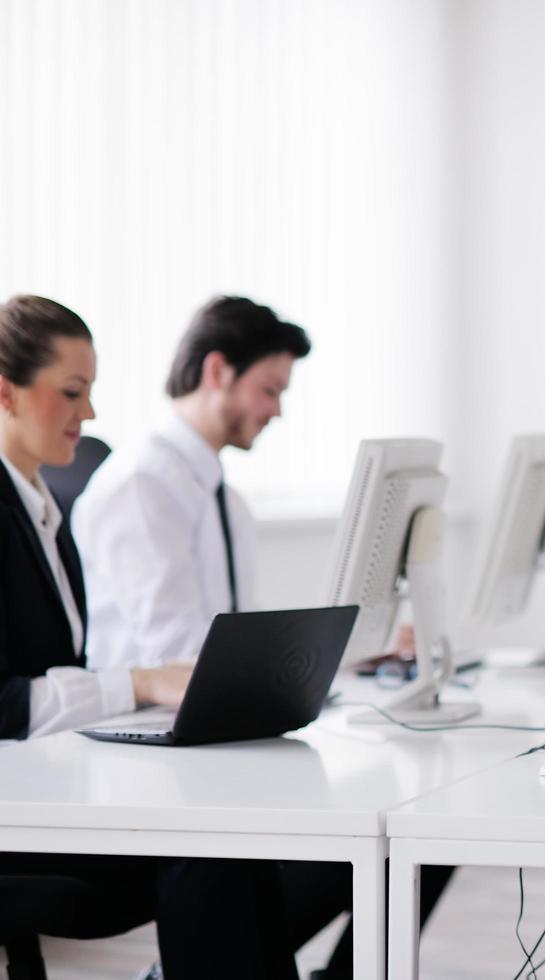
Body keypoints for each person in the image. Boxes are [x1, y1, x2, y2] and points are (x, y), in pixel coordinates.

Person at [0, 294, 300, 978]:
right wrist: (138, 682)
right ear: (6, 394)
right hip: (20, 806)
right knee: (212, 844)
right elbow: (3, 705)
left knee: (233, 838)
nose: (91, 414)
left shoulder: (42, 511)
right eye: (73, 392)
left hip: (49, 778)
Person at [74, 295, 311, 669]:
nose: (276, 412)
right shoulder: (142, 485)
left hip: (213, 706)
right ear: (217, 372)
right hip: (147, 716)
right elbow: (175, 651)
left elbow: (242, 631)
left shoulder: (225, 498)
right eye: (270, 390)